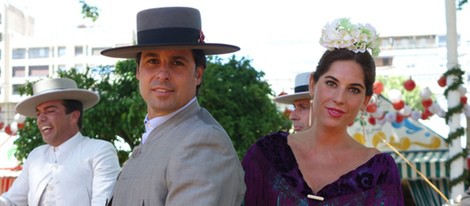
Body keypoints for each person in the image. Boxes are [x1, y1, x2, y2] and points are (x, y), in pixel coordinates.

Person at [242, 18, 404, 205]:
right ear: (313, 84)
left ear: (365, 100)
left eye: (353, 89)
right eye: (331, 83)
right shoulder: (267, 155)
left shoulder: (380, 172)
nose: (339, 98)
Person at [100, 7, 245, 205]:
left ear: (198, 74)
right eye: (152, 61)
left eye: (177, 62)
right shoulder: (154, 136)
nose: (162, 74)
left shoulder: (203, 143)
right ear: (138, 72)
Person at [0, 78, 121, 206]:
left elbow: (104, 202)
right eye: (38, 113)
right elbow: (11, 201)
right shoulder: (36, 156)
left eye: (50, 111)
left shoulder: (99, 151)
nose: (41, 118)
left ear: (74, 116)